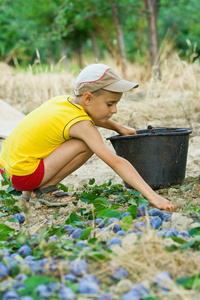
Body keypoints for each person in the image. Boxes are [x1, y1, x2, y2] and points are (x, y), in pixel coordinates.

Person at [0, 63, 174, 211]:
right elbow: (116, 161)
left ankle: (28, 192)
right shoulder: (82, 125)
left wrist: (119, 128)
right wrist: (153, 197)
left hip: (8, 169)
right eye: (110, 104)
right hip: (23, 177)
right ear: (88, 98)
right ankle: (43, 189)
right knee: (86, 144)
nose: (114, 110)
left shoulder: (64, 102)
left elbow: (91, 118)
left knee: (59, 139)